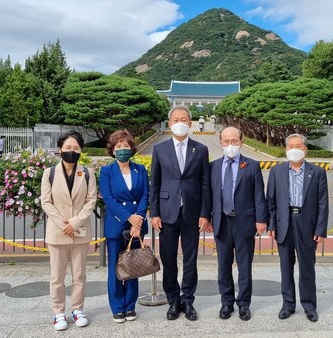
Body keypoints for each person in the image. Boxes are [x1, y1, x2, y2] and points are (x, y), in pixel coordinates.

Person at [150, 105, 211, 321]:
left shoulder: (201, 149)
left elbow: (205, 184)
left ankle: (188, 300)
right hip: (166, 213)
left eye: (184, 119)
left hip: (192, 213)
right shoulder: (160, 149)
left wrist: (205, 214)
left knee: (190, 259)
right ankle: (173, 300)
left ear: (190, 123)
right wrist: (154, 213)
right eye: (176, 119)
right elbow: (154, 183)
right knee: (168, 259)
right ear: (169, 123)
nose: (180, 122)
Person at [267, 133, 329, 323]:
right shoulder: (276, 172)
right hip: (284, 223)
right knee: (286, 267)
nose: (294, 149)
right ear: (286, 149)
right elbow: (271, 201)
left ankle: (309, 306)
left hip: (307, 225)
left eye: (299, 146)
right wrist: (272, 224)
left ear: (305, 149)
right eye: (290, 146)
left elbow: (323, 203)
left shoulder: (317, 172)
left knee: (307, 267)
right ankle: (288, 304)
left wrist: (320, 229)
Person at [209, 126, 268, 321]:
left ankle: (243, 304)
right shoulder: (213, 166)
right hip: (221, 222)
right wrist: (207, 217)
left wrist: (261, 220)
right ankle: (226, 302)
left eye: (234, 141)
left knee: (244, 266)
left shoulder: (251, 165)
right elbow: (208, 196)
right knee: (223, 266)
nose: (230, 145)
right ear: (221, 143)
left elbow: (259, 194)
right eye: (226, 141)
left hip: (245, 222)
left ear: (241, 142)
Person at [40, 130, 97, 331]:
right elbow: (46, 202)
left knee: (79, 274)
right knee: (57, 276)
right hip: (58, 231)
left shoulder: (88, 172)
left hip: (80, 230)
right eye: (68, 148)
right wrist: (63, 223)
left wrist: (75, 222)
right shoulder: (50, 173)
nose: (71, 151)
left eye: (76, 148)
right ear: (60, 149)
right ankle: (58, 312)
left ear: (81, 150)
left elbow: (91, 201)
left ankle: (77, 309)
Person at [99, 130, 149, 323]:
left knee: (133, 265)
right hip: (116, 226)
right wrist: (130, 218)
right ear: (112, 150)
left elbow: (145, 195)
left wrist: (139, 221)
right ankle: (118, 307)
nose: (122, 150)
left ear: (132, 149)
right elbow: (108, 198)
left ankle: (130, 306)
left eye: (126, 146)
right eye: (118, 147)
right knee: (115, 267)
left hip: (137, 227)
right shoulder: (106, 171)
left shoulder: (140, 169)